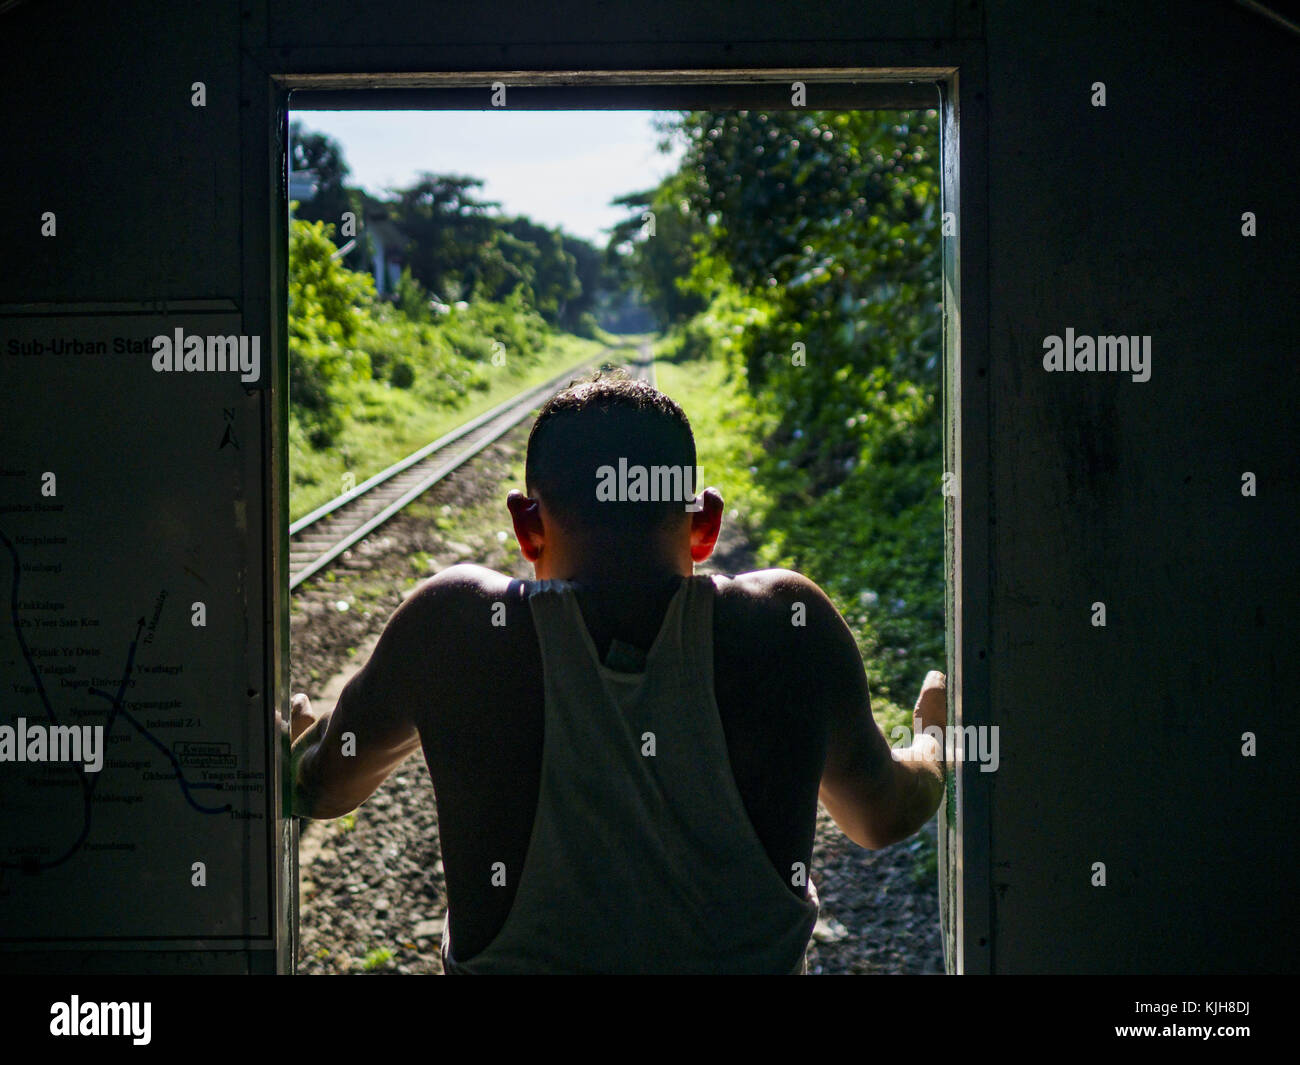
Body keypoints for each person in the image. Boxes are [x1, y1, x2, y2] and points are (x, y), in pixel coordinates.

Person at [287, 372, 946, 974]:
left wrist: (302, 737)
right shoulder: (786, 623)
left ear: (526, 525)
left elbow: (319, 788)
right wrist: (933, 745)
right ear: (705, 523)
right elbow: (881, 815)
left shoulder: (450, 624)